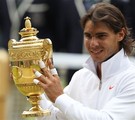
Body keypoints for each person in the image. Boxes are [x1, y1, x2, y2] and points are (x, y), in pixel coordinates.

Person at [33, 2, 135, 120]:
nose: (93, 43)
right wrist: (35, 91)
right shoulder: (80, 77)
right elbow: (54, 117)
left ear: (121, 34)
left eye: (101, 36)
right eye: (88, 36)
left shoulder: (131, 79)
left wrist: (59, 97)